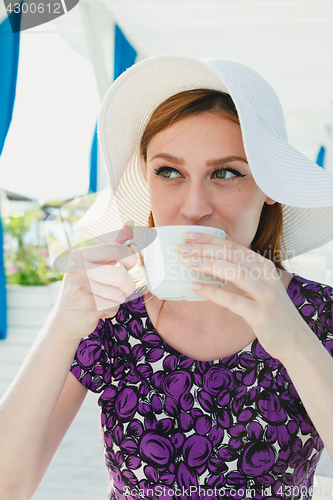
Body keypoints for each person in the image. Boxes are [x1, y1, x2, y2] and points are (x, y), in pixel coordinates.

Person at [1, 55, 333, 500]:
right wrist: (60, 327)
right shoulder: (111, 318)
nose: (194, 206)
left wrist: (294, 342)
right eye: (169, 171)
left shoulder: (319, 315)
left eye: (227, 172)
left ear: (270, 185)